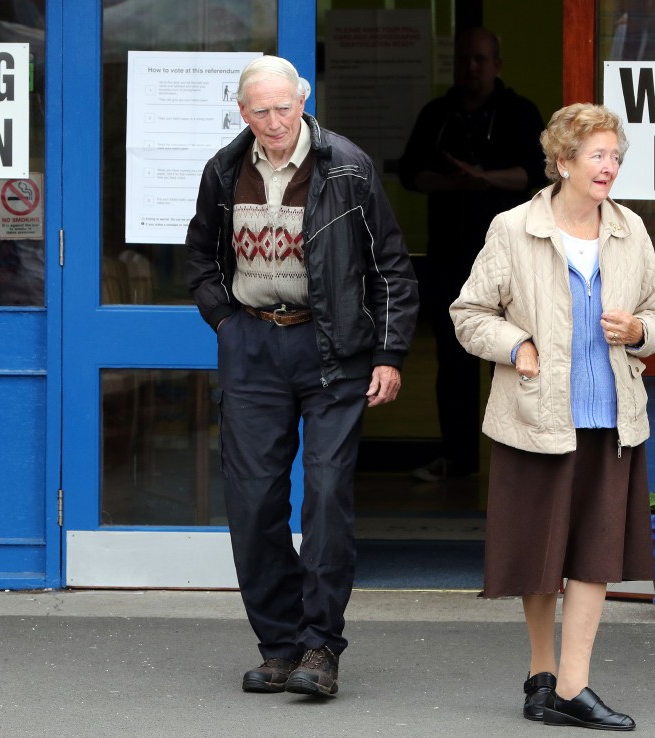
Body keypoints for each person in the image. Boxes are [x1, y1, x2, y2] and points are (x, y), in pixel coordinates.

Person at [186, 56, 418, 697]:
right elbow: (200, 258)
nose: (274, 121)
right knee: (253, 503)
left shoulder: (347, 167)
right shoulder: (223, 170)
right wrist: (227, 324)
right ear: (243, 113)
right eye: (260, 110)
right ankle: (280, 645)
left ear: (303, 102)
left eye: (283, 107)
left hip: (332, 353)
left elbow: (391, 268)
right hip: (254, 347)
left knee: (324, 501)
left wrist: (390, 354)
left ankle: (320, 648)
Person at [450, 103, 655, 730]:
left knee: (594, 553)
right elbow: (469, 314)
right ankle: (541, 677)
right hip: (536, 415)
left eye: (615, 156)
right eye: (597, 155)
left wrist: (638, 330)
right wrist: (515, 345)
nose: (610, 167)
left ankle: (574, 685)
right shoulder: (513, 228)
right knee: (538, 556)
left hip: (610, 418)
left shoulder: (631, 231)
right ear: (564, 161)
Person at [398, 26, 547, 482]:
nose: (472, 69)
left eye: (481, 60)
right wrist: (453, 183)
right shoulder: (437, 114)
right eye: (465, 60)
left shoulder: (519, 113)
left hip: (516, 260)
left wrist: (484, 178)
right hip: (450, 257)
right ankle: (458, 460)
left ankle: (524, 463)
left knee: (519, 357)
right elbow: (410, 174)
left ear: (497, 65)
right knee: (455, 360)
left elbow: (537, 174)